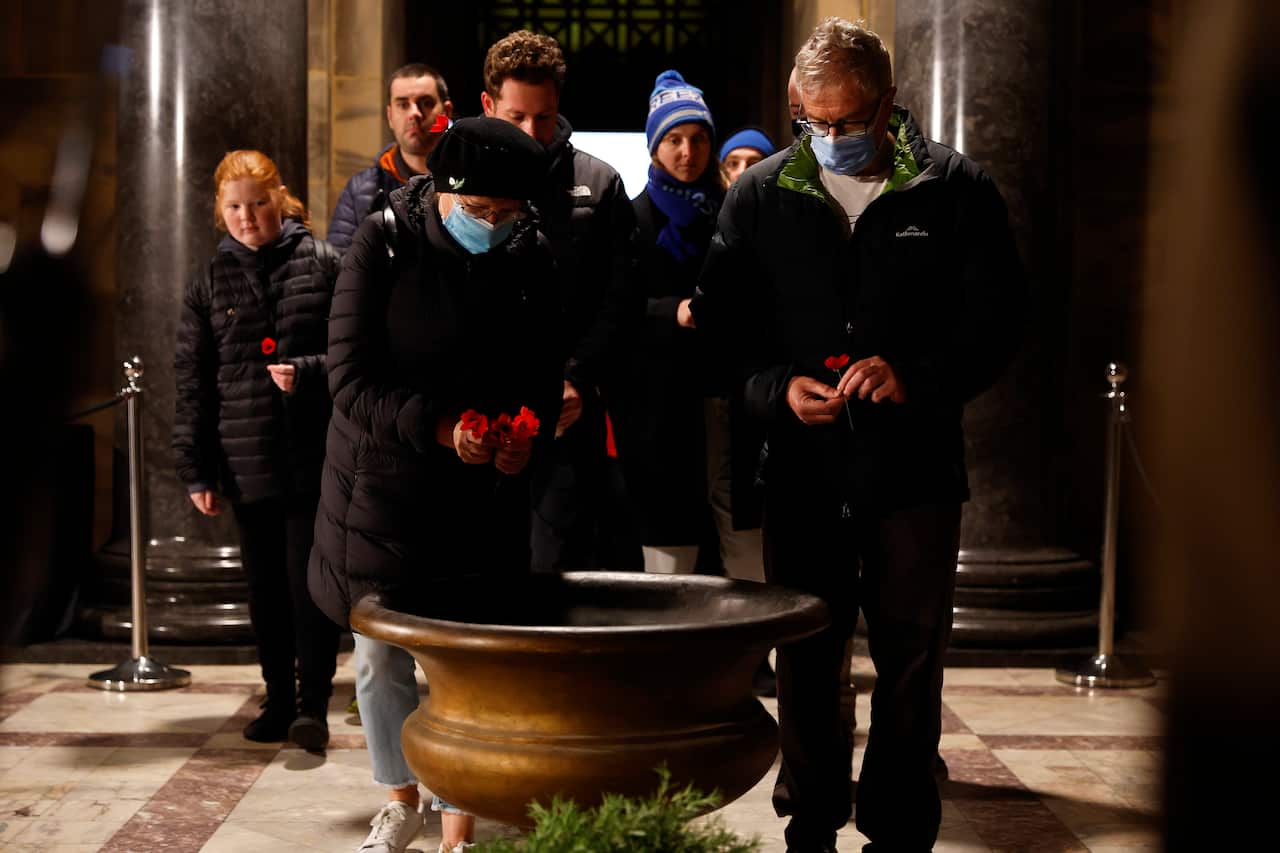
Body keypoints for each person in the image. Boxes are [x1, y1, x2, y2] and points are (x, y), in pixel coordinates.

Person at [692, 18, 1025, 852]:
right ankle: (811, 817)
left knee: (911, 657)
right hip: (804, 466)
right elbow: (721, 335)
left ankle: (899, 823)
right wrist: (774, 388)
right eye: (814, 122)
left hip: (913, 469)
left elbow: (1000, 324)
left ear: (888, 105)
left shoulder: (955, 188)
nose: (831, 139)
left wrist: (917, 374)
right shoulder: (760, 192)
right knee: (807, 654)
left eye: (847, 121)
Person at [307, 118, 563, 853]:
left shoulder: (529, 254)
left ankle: (458, 822)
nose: (495, 224)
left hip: (477, 494)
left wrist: (525, 438)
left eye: (508, 213)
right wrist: (441, 425)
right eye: (481, 210)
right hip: (380, 485)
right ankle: (399, 798)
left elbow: (544, 377)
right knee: (383, 654)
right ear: (447, 195)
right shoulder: (383, 241)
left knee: (460, 659)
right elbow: (350, 377)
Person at [172, 150, 342, 750]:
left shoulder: (323, 263)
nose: (248, 217)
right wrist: (195, 469)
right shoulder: (209, 281)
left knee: (308, 588)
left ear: (281, 199)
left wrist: (310, 370)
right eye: (235, 207)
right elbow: (192, 381)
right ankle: (278, 696)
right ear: (221, 211)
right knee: (265, 589)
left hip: (311, 456)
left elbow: (354, 352)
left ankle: (313, 705)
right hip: (245, 464)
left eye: (259, 203)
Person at [480, 30, 643, 572]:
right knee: (480, 569)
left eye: (543, 118)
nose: (531, 133)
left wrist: (578, 378)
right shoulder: (457, 185)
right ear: (488, 105)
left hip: (570, 411)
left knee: (558, 567)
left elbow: (620, 297)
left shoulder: (599, 183)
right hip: (481, 410)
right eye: (517, 117)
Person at [327, 62, 453, 255]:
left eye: (426, 103)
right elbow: (340, 265)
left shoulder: (469, 180)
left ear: (446, 112)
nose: (414, 114)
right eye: (403, 104)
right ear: (390, 116)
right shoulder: (362, 189)